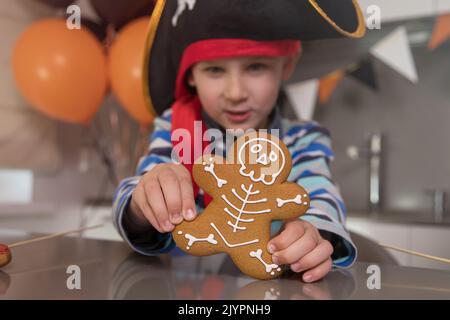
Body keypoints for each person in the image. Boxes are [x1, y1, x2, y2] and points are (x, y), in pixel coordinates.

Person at [113, 0, 366, 283]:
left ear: (287, 66)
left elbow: (321, 198)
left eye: (255, 67)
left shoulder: (304, 140)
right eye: (214, 70)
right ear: (191, 76)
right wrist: (143, 201)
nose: (235, 92)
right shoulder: (174, 130)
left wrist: (313, 233)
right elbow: (138, 200)